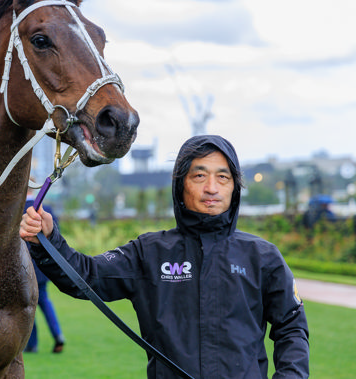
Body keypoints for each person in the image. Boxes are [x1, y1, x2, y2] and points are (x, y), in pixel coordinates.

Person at [20, 135, 309, 378]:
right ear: (181, 185)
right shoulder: (149, 252)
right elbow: (86, 276)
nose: (212, 187)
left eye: (223, 177)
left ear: (234, 188)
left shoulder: (263, 257)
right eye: (199, 175)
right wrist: (48, 239)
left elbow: (292, 327)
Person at [23, 189, 65, 354]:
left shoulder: (18, 209)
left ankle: (32, 344)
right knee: (45, 301)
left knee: (27, 305)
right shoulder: (46, 208)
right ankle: (58, 334)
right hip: (43, 265)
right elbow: (56, 236)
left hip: (24, 266)